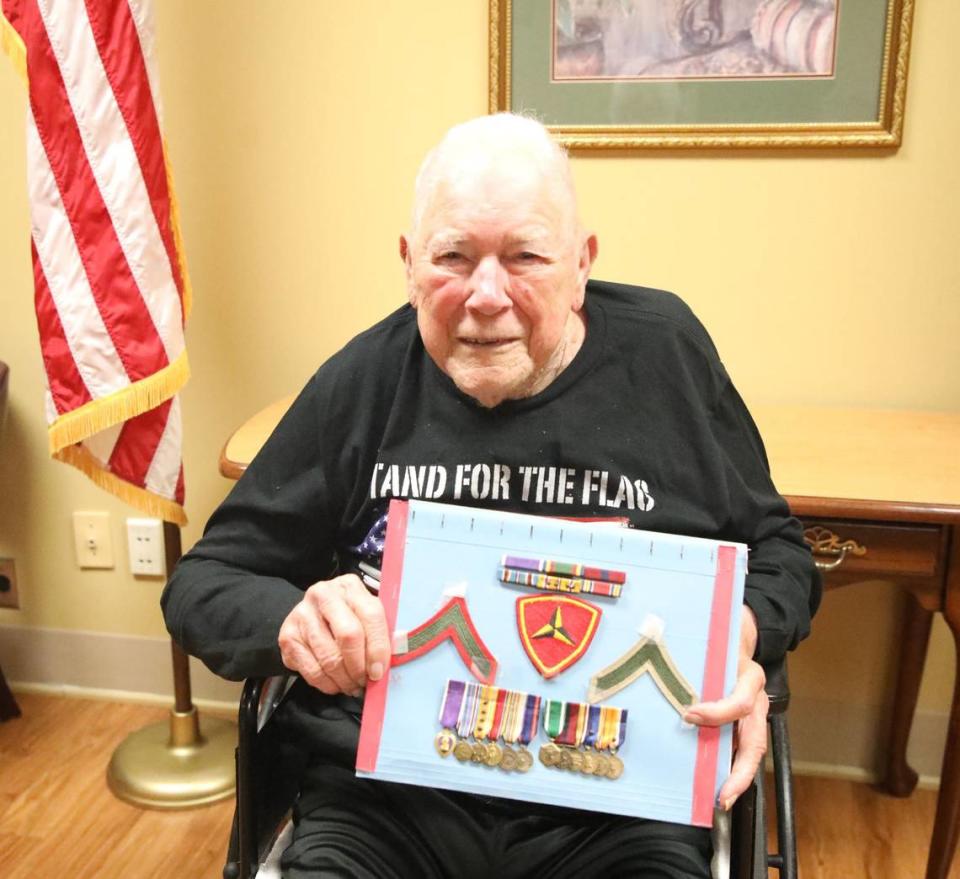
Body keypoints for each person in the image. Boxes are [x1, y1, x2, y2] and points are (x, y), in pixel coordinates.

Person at [162, 113, 820, 878]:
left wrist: (736, 634)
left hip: (615, 805)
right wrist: (294, 621)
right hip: (387, 801)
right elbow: (201, 585)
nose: (485, 295)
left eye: (525, 256)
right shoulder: (365, 382)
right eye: (453, 256)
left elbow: (781, 556)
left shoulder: (665, 357)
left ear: (582, 265)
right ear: (409, 264)